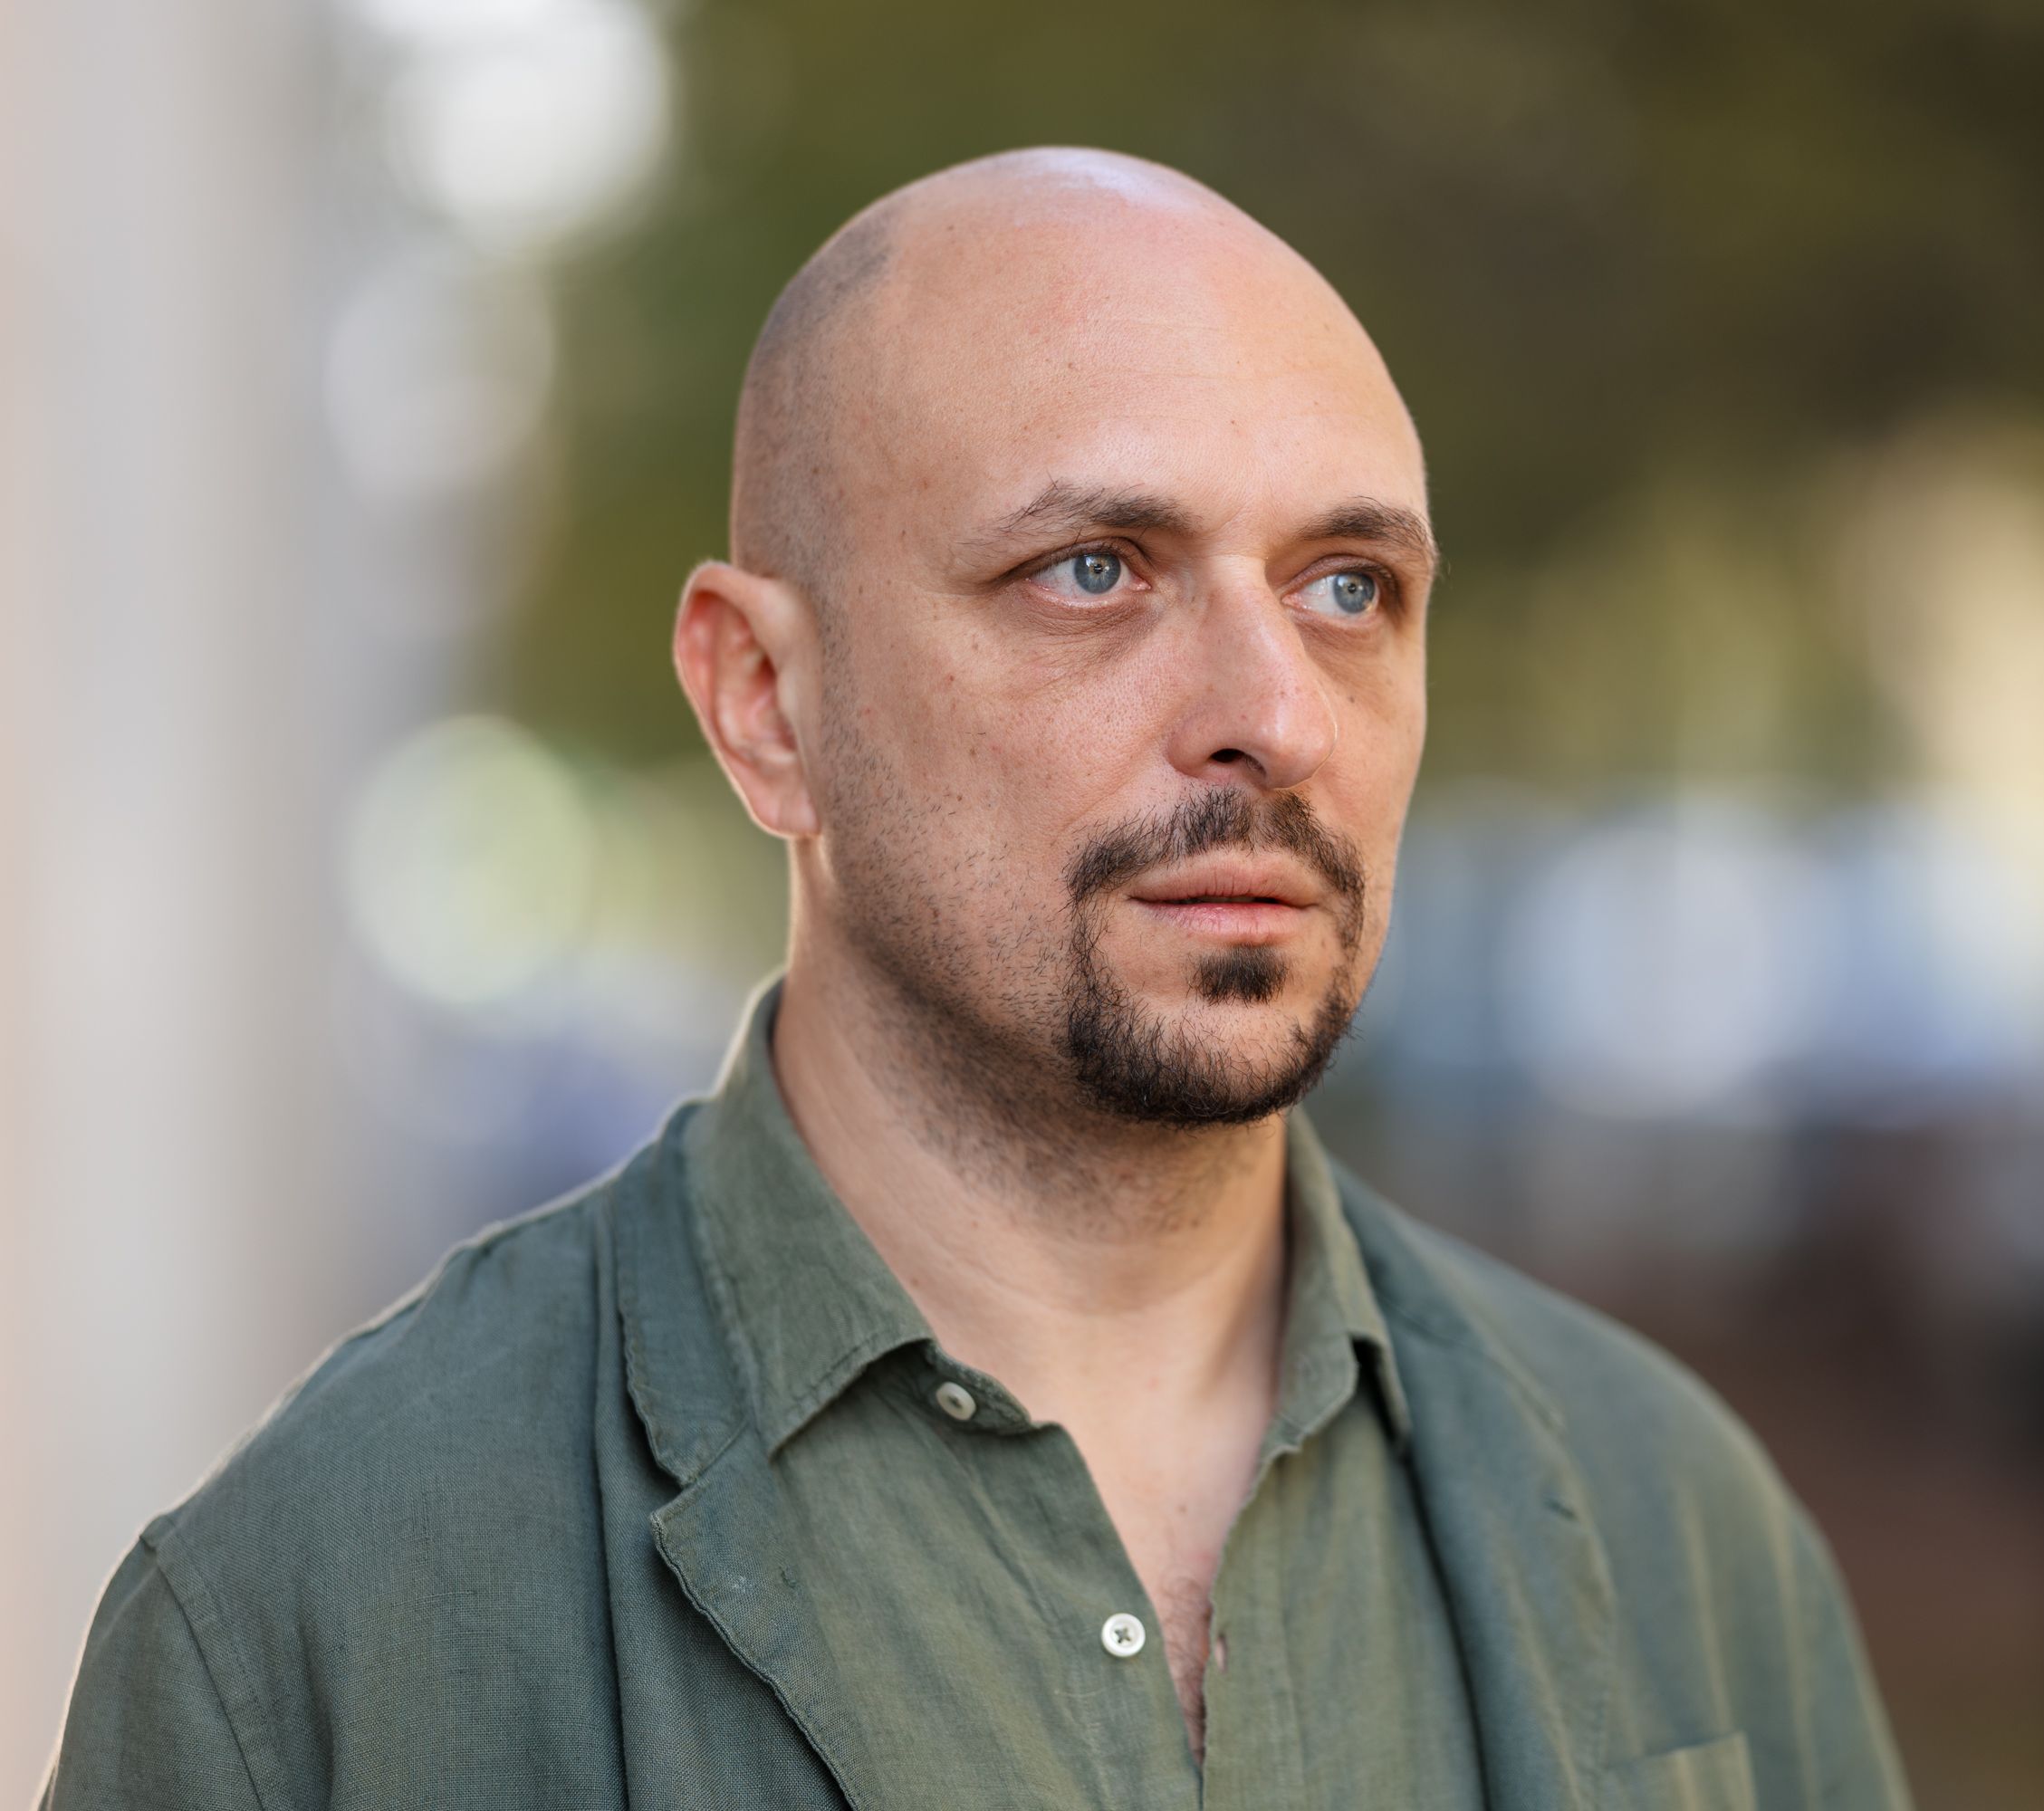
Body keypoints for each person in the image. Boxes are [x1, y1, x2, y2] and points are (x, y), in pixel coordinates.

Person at [43, 148, 1907, 1808]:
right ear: (766, 704)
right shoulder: (315, 1634)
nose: (1275, 716)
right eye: (1096, 569)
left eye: (1347, 587)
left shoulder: (1683, 1536)